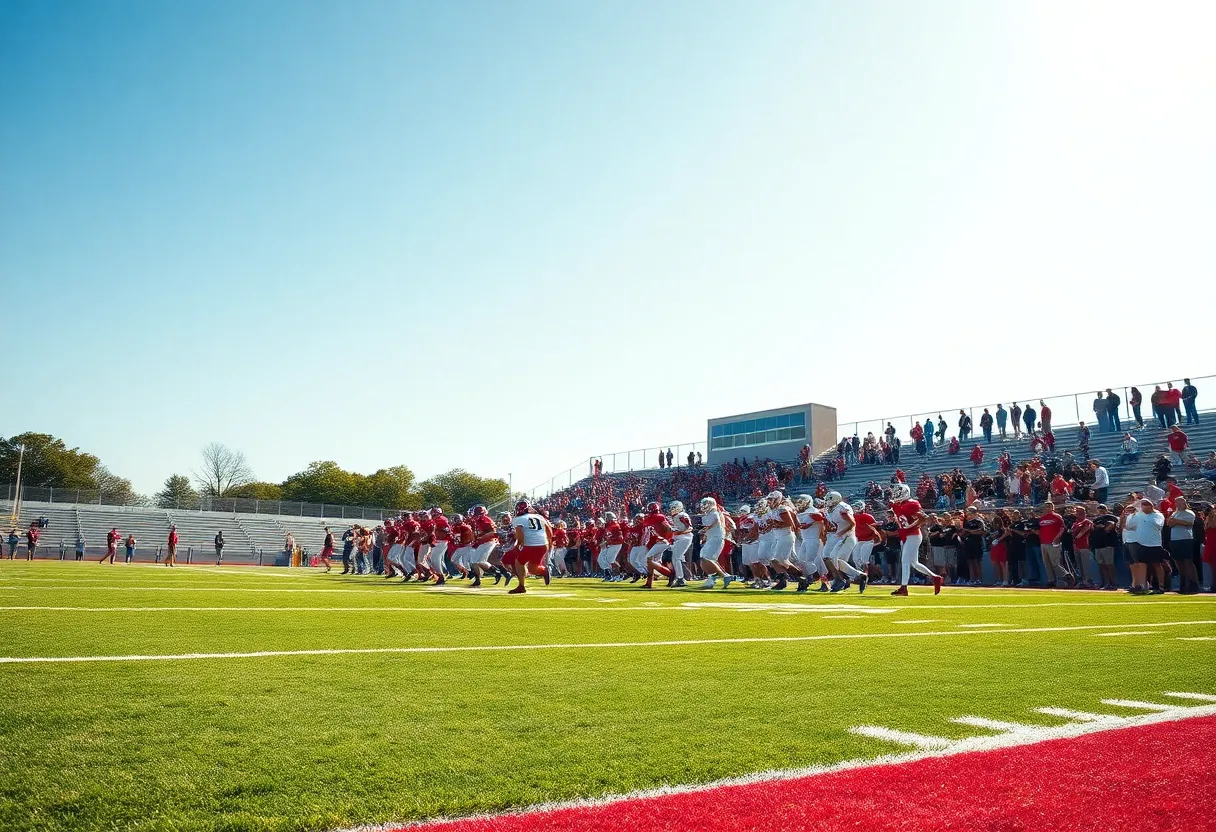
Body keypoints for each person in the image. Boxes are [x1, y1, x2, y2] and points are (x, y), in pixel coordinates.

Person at [888, 483, 943, 595]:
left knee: (905, 561)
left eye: (898, 492)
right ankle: (936, 577)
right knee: (914, 563)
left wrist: (913, 525)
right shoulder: (896, 505)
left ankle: (904, 587)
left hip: (913, 534)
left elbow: (923, 518)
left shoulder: (912, 504)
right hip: (905, 535)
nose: (895, 494)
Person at [506, 499, 552, 594]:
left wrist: (519, 546)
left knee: (518, 562)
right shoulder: (539, 517)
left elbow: (520, 536)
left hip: (530, 545)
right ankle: (544, 571)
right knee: (532, 568)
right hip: (543, 544)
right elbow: (549, 529)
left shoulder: (517, 519)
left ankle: (521, 586)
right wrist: (549, 542)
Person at [1124, 498, 1166, 594]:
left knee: (1157, 565)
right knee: (1142, 564)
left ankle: (1161, 586)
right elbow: (1129, 526)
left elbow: (1158, 525)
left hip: (1154, 544)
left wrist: (1144, 517)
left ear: (1152, 506)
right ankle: (1143, 586)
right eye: (1143, 505)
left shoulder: (1157, 515)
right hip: (1141, 544)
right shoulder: (1138, 515)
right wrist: (1134, 513)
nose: (1144, 506)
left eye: (1147, 504)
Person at [1037, 501, 1073, 587]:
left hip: (1053, 542)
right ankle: (1051, 580)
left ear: (1053, 508)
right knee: (1046, 563)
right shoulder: (1042, 518)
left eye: (1049, 506)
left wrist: (1057, 538)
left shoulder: (1057, 517)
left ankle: (1065, 575)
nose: (1047, 508)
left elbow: (1062, 528)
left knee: (1055, 562)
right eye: (1046, 506)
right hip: (1043, 542)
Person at [1166, 497, 1199, 593]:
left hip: (1186, 539)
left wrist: (1176, 521)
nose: (1179, 505)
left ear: (1185, 503)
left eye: (1181, 503)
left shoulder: (1189, 513)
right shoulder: (1175, 513)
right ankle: (1183, 584)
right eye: (1177, 503)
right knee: (1178, 562)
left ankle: (1194, 584)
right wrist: (1177, 522)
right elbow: (1169, 524)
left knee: (1188, 562)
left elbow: (1189, 523)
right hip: (1175, 539)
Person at [667, 500, 694, 587]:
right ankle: (680, 578)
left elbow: (690, 528)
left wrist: (679, 532)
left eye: (674, 508)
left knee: (677, 558)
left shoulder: (682, 515)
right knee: (675, 558)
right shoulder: (674, 516)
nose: (672, 509)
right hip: (679, 538)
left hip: (685, 537)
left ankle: (680, 579)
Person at [1070, 506, 1096, 588]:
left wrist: (1077, 537)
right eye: (1076, 511)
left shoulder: (1087, 521)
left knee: (1086, 564)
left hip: (1084, 545)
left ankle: (1088, 581)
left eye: (1079, 511)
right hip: (1076, 546)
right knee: (1079, 565)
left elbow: (1085, 530)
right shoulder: (1074, 523)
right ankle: (1082, 580)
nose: (1077, 513)